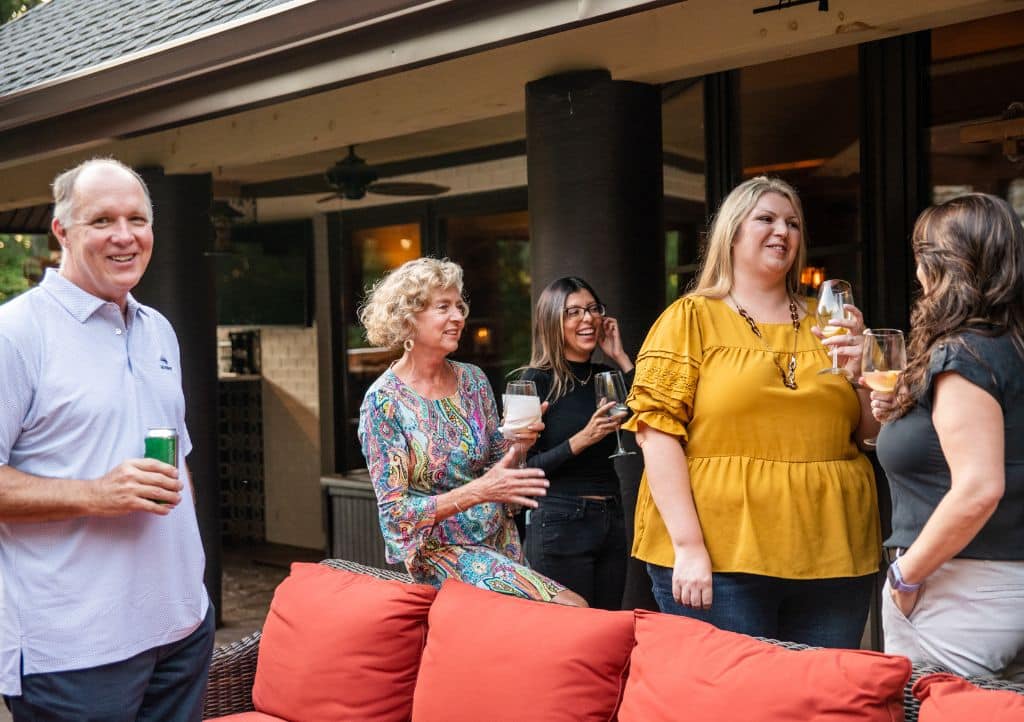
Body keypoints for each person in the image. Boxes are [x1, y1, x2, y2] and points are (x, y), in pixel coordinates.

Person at [624, 176, 881, 648]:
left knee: (822, 691)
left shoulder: (830, 324)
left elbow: (869, 436)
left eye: (793, 223)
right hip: (720, 555)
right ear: (732, 233)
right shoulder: (691, 318)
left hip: (832, 549)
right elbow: (656, 433)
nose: (782, 231)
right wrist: (688, 547)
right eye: (766, 219)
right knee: (734, 691)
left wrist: (863, 374)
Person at [0, 158, 212, 720]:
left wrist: (193, 585)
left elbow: (179, 460)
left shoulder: (158, 329)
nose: (124, 236)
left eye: (137, 219)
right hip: (75, 649)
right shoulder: (15, 334)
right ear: (62, 231)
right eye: (101, 221)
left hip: (181, 628)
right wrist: (96, 494)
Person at [357, 258, 585, 606]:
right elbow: (396, 516)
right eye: (443, 307)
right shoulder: (383, 402)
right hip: (441, 552)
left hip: (500, 538)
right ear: (407, 318)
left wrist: (519, 443)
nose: (458, 316)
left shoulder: (473, 380)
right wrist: (479, 491)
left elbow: (497, 468)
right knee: (569, 606)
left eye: (459, 306)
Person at [871, 193, 1024, 680]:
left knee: (929, 708)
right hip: (996, 585)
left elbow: (979, 488)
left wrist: (905, 576)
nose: (917, 272)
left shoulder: (963, 354)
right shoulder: (1008, 345)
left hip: (959, 587)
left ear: (946, 267)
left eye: (923, 256)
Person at [520, 277, 633, 609]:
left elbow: (648, 413)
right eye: (574, 312)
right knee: (571, 632)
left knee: (608, 626)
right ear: (552, 321)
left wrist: (621, 357)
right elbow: (521, 469)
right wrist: (581, 440)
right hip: (559, 520)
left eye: (593, 309)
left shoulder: (605, 377)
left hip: (610, 515)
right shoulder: (533, 380)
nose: (588, 319)